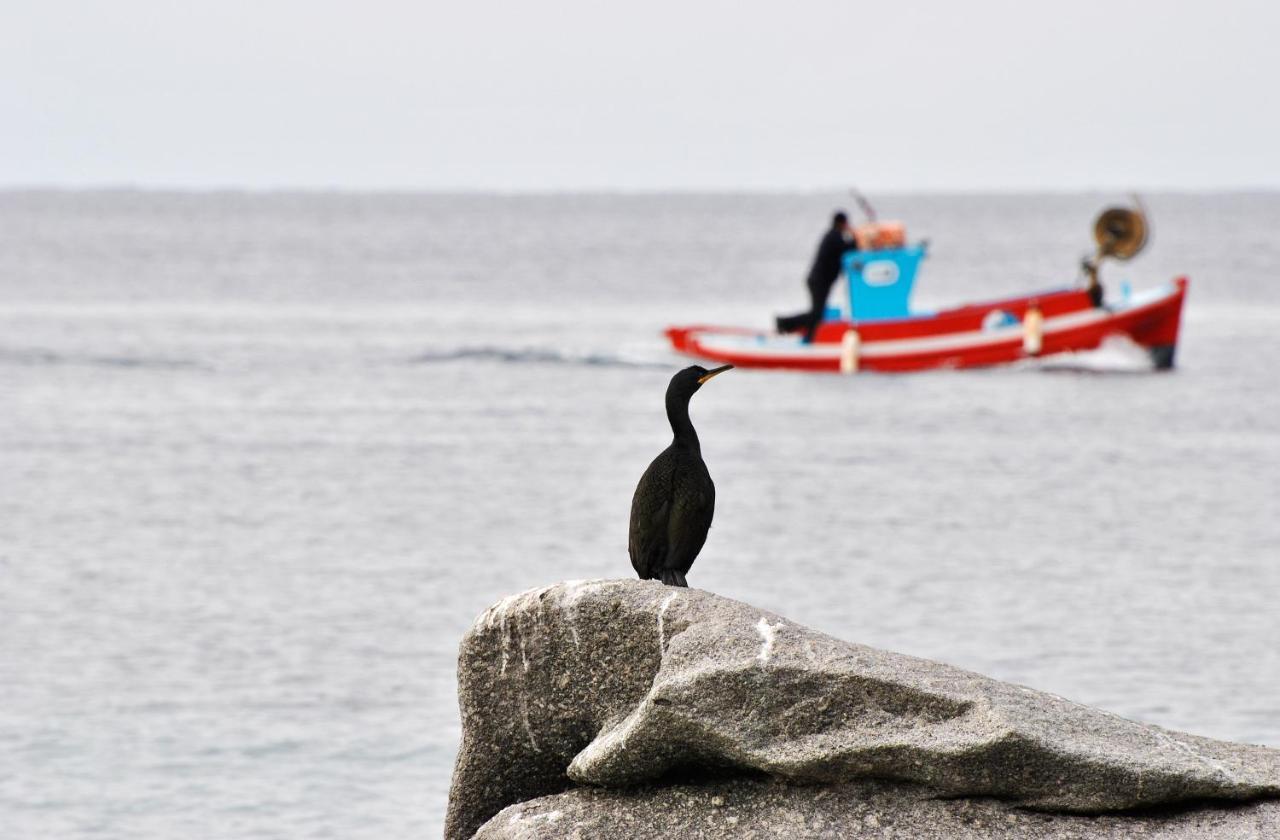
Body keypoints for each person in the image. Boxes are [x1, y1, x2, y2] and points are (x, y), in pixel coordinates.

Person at [775, 211, 859, 342]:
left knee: (818, 313)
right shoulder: (834, 237)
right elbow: (850, 248)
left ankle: (808, 335)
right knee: (817, 314)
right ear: (843, 223)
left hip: (819, 281)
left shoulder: (832, 235)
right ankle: (785, 323)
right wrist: (855, 236)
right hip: (819, 281)